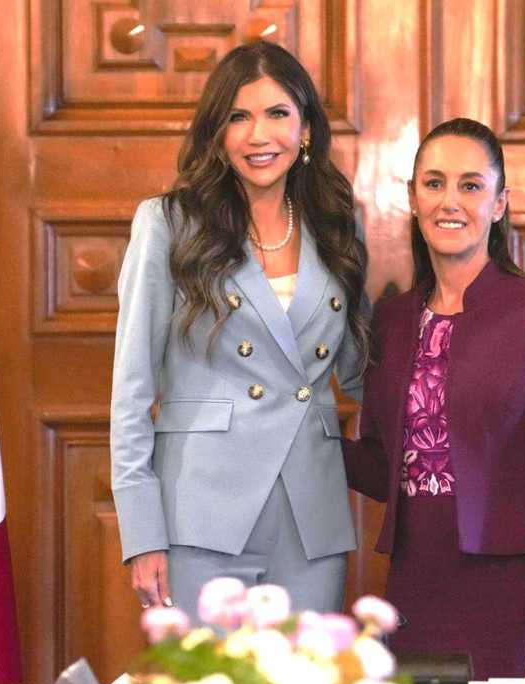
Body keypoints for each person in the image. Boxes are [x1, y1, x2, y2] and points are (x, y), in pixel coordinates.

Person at [110, 41, 370, 621]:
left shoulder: (336, 225)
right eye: (238, 117)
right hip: (202, 511)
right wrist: (142, 532)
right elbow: (131, 389)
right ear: (217, 133)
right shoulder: (170, 223)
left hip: (311, 514)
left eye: (278, 114)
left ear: (304, 129)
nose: (259, 136)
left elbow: (359, 369)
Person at [343, 118, 525, 679]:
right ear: (412, 198)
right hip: (413, 587)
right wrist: (298, 429)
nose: (449, 201)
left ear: (500, 203)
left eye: (470, 185)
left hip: (510, 594)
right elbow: (388, 463)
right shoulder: (391, 320)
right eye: (433, 184)